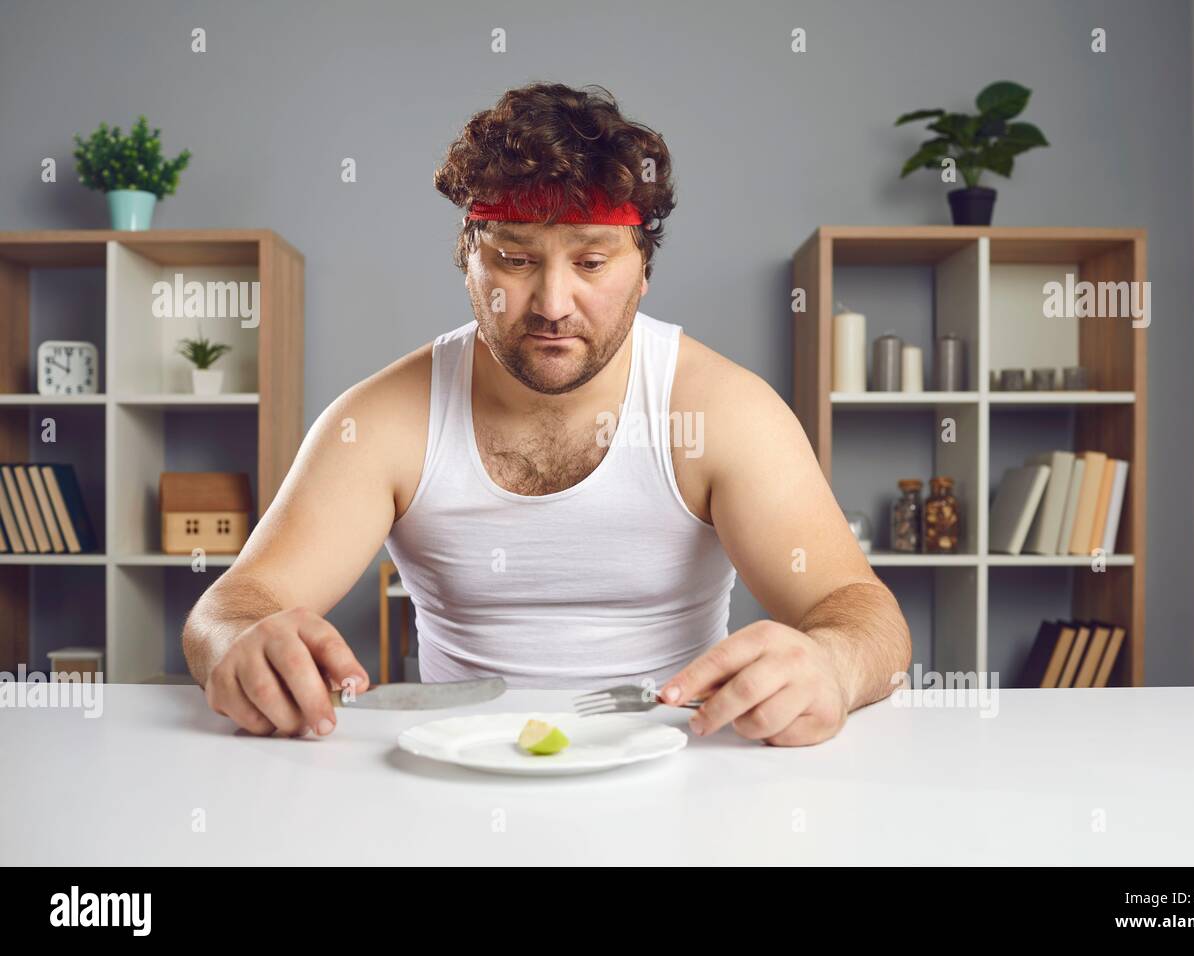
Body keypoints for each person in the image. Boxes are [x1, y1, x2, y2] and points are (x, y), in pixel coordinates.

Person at [182, 81, 910, 747]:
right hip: (457, 771)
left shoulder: (723, 411)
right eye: (515, 260)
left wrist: (832, 664)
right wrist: (241, 642)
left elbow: (859, 610)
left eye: (591, 263)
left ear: (643, 270)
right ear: (467, 257)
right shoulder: (382, 420)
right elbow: (235, 603)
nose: (553, 305)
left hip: (672, 771)